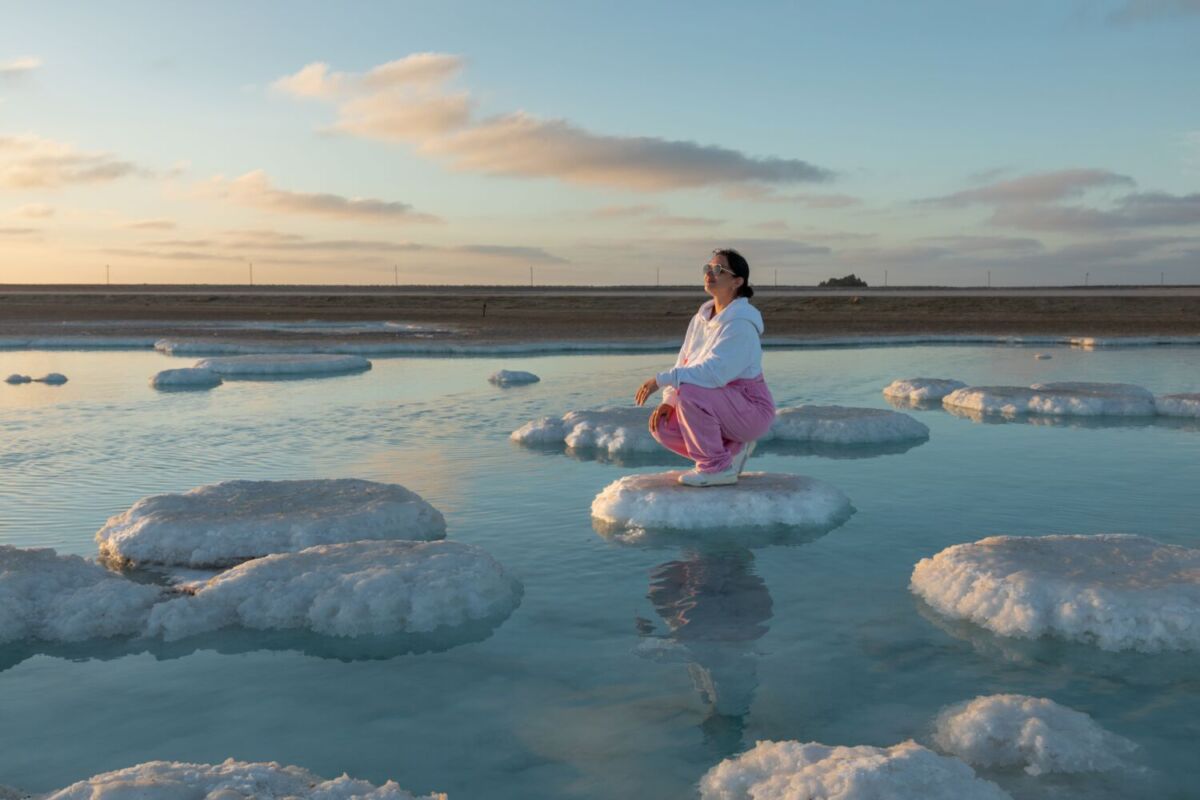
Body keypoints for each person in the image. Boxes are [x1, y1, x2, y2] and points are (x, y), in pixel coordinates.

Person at [634, 249, 776, 486]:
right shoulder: (701, 318)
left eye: (719, 269)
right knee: (662, 425)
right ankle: (731, 453)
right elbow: (684, 362)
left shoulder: (740, 324)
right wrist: (669, 401)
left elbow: (713, 374)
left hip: (751, 409)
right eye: (707, 268)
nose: (710, 273)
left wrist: (660, 380)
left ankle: (715, 469)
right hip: (720, 403)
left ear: (737, 281)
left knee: (691, 391)